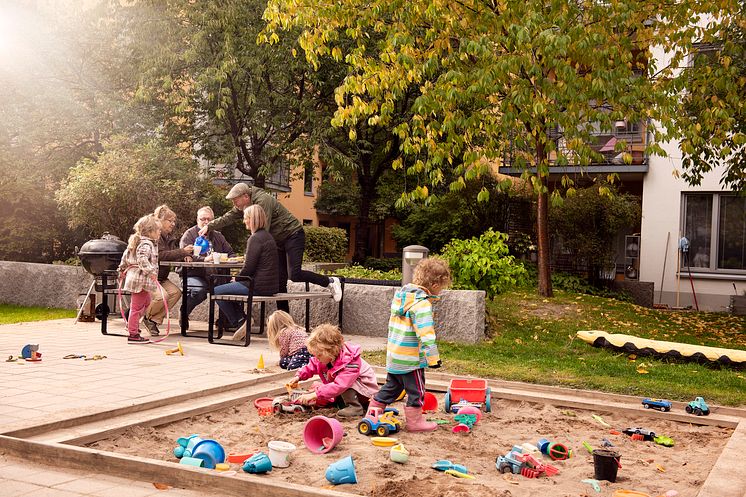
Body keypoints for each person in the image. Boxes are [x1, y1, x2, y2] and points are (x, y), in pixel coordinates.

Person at [199, 183, 343, 311]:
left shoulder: (263, 201)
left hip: (292, 234)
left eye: (235, 200)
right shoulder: (245, 204)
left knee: (295, 274)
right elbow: (228, 217)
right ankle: (285, 324)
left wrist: (251, 253)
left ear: (245, 196)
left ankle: (330, 281)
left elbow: (262, 232)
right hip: (278, 240)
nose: (234, 204)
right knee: (280, 284)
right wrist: (209, 226)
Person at [368, 257, 451, 432]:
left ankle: (372, 414)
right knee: (417, 391)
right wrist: (433, 357)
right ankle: (414, 423)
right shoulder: (422, 305)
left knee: (392, 387)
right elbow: (426, 334)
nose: (441, 291)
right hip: (411, 360)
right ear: (435, 284)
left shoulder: (401, 298)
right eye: (442, 287)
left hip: (395, 356)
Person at [213, 204, 278, 341]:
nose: (244, 221)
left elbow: (249, 267)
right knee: (226, 290)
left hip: (258, 286)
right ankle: (243, 321)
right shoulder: (267, 236)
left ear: (252, 219)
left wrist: (236, 279)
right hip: (269, 285)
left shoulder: (255, 239)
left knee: (216, 291)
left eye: (246, 218)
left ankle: (240, 321)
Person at [288, 323, 379, 417]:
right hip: (347, 390)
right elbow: (313, 365)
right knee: (320, 390)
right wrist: (299, 376)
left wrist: (315, 394)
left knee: (338, 385)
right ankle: (342, 403)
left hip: (364, 391)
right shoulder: (326, 357)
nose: (317, 358)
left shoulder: (350, 362)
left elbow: (341, 385)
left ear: (331, 350)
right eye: (315, 355)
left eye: (319, 355)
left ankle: (355, 407)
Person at [142, 205, 194, 336]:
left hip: (162, 277)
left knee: (176, 293)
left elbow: (171, 254)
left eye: (174, 221)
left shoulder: (169, 237)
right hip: (150, 276)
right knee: (163, 296)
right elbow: (162, 256)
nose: (173, 223)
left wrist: (184, 256)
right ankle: (145, 317)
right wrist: (182, 251)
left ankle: (153, 320)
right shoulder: (154, 236)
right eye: (169, 220)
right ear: (159, 220)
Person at [179, 206, 235, 326]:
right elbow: (184, 254)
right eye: (203, 219)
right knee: (200, 290)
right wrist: (205, 259)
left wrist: (229, 259)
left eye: (209, 220)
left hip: (215, 274)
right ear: (197, 220)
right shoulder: (189, 235)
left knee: (229, 288)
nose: (206, 222)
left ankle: (226, 321)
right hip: (193, 273)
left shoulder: (218, 236)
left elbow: (231, 253)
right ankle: (184, 312)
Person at [117, 214, 161, 344]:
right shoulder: (146, 244)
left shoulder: (137, 242)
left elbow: (125, 257)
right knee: (136, 307)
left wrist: (121, 269)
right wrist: (151, 271)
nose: (160, 232)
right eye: (158, 230)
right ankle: (133, 334)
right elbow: (142, 259)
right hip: (140, 280)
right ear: (150, 231)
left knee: (146, 303)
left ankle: (132, 325)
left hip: (137, 280)